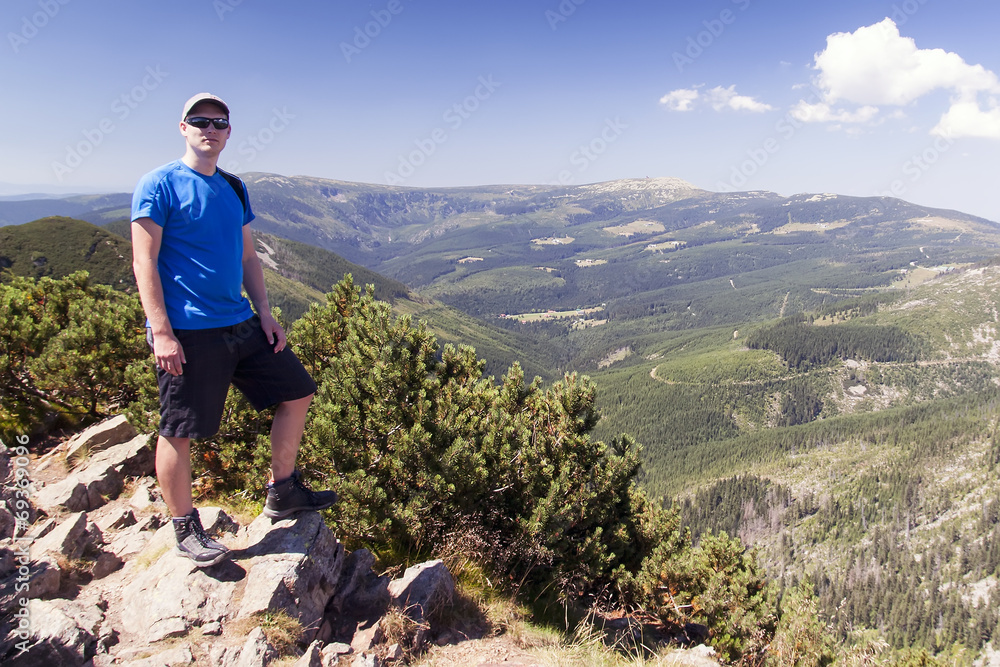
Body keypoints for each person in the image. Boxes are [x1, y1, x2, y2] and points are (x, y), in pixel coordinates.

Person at [131, 93, 336, 567]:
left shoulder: (233, 187)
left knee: (297, 391)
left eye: (219, 122)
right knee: (179, 429)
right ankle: (184, 527)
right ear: (183, 127)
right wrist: (161, 331)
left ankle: (282, 490)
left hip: (239, 321)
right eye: (200, 120)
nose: (210, 129)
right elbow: (144, 260)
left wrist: (264, 311)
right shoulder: (158, 183)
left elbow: (247, 257)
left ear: (228, 131)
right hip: (188, 329)